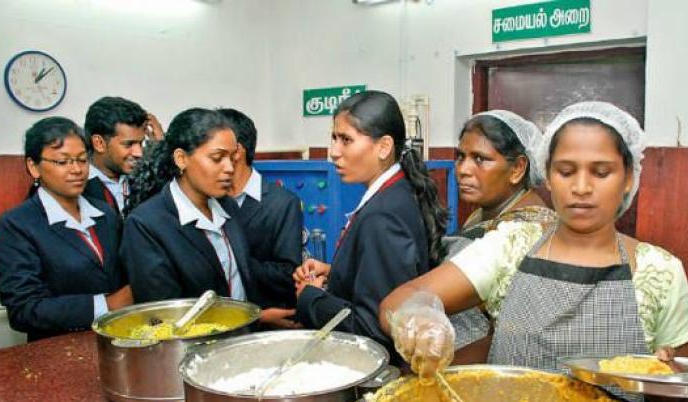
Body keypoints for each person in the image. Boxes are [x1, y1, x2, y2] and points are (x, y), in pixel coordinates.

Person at [381, 102, 688, 402]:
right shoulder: (511, 245)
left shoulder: (660, 271)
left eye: (601, 172)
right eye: (565, 171)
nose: (581, 188)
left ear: (629, 178)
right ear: (547, 175)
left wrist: (667, 386)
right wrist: (420, 317)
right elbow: (400, 300)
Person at [293, 91, 449, 355]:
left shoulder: (383, 215)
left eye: (346, 140)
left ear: (384, 147)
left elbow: (373, 329)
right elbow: (391, 279)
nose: (334, 152)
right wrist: (335, 271)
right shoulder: (397, 190)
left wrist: (311, 297)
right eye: (334, 138)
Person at [121, 108, 297, 328]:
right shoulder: (146, 225)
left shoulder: (227, 207)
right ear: (181, 159)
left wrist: (254, 318)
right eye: (217, 158)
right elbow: (165, 319)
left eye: (232, 158)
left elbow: (238, 284)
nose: (230, 168)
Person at [0, 117, 131, 341]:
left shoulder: (105, 213)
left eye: (82, 160)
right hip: (58, 351)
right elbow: (24, 311)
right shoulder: (17, 225)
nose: (76, 170)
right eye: (62, 162)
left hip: (119, 339)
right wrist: (106, 305)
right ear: (33, 167)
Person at [447, 110, 558, 360]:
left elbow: (513, 334)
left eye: (480, 159)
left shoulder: (528, 231)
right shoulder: (481, 215)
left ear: (518, 168)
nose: (463, 169)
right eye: (460, 156)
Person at [217, 108, 303, 310]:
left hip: (268, 322)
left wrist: (229, 259)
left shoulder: (281, 203)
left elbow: (287, 274)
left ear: (236, 151)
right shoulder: (210, 200)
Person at [83, 96, 164, 215]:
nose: (139, 153)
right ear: (99, 143)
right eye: (129, 144)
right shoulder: (77, 186)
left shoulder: (146, 177)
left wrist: (161, 149)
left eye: (141, 143)